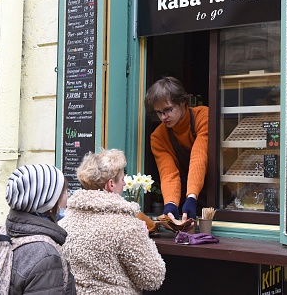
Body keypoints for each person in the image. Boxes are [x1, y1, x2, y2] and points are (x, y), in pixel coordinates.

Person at [59, 149, 166, 294]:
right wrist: (144, 238)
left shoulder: (65, 223)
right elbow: (152, 278)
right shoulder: (125, 225)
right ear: (111, 184)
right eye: (122, 179)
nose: (124, 184)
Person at [0, 164, 75, 294]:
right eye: (64, 192)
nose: (67, 198)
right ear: (48, 202)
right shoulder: (46, 255)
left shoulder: (0, 235)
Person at [145, 76, 208, 222]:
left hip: (214, 193)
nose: (163, 117)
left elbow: (199, 156)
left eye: (168, 110)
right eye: (159, 112)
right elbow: (168, 174)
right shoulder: (158, 137)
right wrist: (171, 204)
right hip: (186, 196)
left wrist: (191, 197)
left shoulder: (204, 117)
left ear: (182, 102)